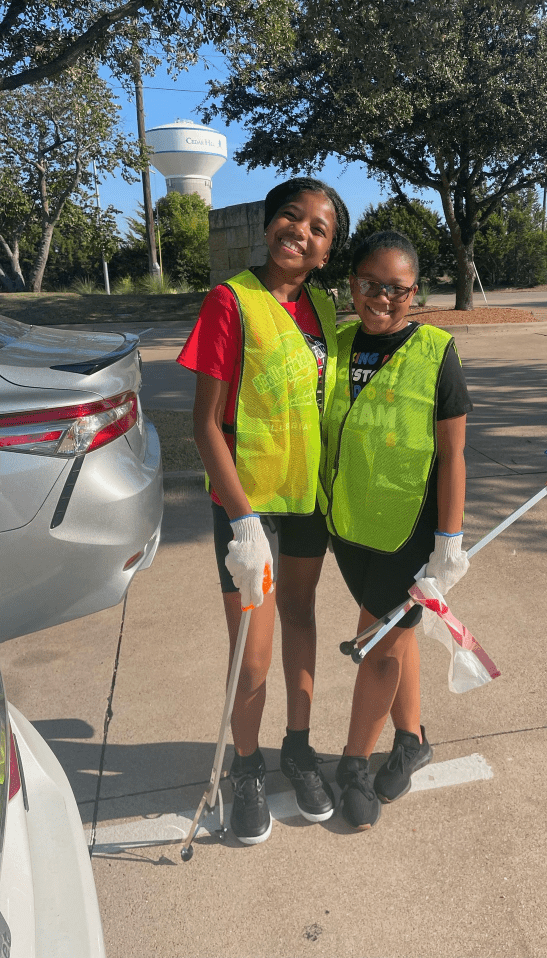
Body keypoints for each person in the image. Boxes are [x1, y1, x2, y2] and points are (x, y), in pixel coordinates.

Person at [177, 177, 349, 844]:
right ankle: (245, 768)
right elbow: (204, 425)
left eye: (317, 228)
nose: (298, 232)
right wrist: (243, 521)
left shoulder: (325, 309)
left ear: (326, 251)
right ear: (267, 225)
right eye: (289, 217)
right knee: (252, 650)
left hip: (307, 502)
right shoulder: (231, 301)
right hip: (248, 508)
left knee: (302, 620)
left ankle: (298, 748)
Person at [319, 230, 473, 829]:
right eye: (370, 285)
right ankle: (412, 740)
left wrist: (450, 539)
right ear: (352, 284)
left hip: (412, 532)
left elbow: (454, 454)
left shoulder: (437, 352)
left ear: (417, 293)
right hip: (349, 525)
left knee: (379, 642)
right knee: (399, 633)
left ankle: (354, 763)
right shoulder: (337, 342)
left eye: (398, 289)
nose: (383, 299)